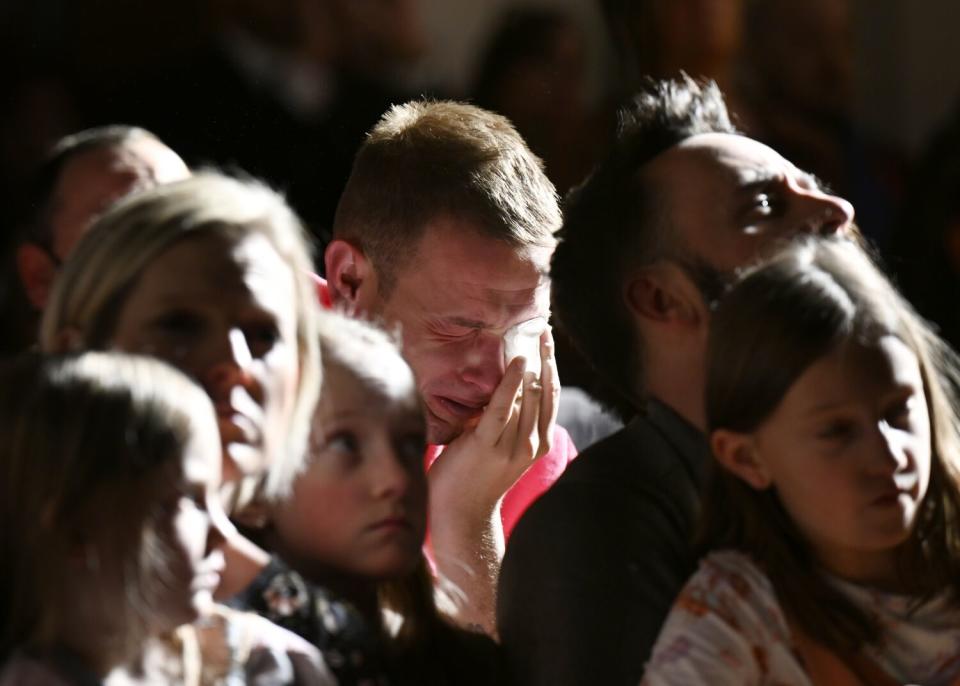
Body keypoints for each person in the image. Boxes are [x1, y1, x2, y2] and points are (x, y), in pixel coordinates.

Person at [497, 75, 855, 686]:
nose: (839, 212)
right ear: (663, 300)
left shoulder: (904, 453)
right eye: (765, 207)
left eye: (813, 189)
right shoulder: (599, 537)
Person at [643, 235, 960, 684]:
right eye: (837, 431)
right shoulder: (738, 617)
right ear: (746, 458)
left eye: (898, 412)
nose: (888, 455)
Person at [323, 99, 577, 632]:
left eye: (524, 331)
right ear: (348, 281)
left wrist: (467, 519)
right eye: (460, 328)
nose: (492, 378)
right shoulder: (247, 386)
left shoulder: (526, 451)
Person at [40, 171, 322, 600]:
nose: (235, 364)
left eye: (263, 335)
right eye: (181, 326)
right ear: (75, 350)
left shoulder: (322, 644)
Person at [0, 351, 335, 684]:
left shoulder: (267, 663)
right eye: (189, 498)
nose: (223, 533)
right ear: (75, 530)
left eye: (216, 496)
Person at [242, 310, 503, 685]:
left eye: (411, 445)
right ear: (253, 492)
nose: (396, 478)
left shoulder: (467, 665)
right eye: (346, 444)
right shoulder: (231, 665)